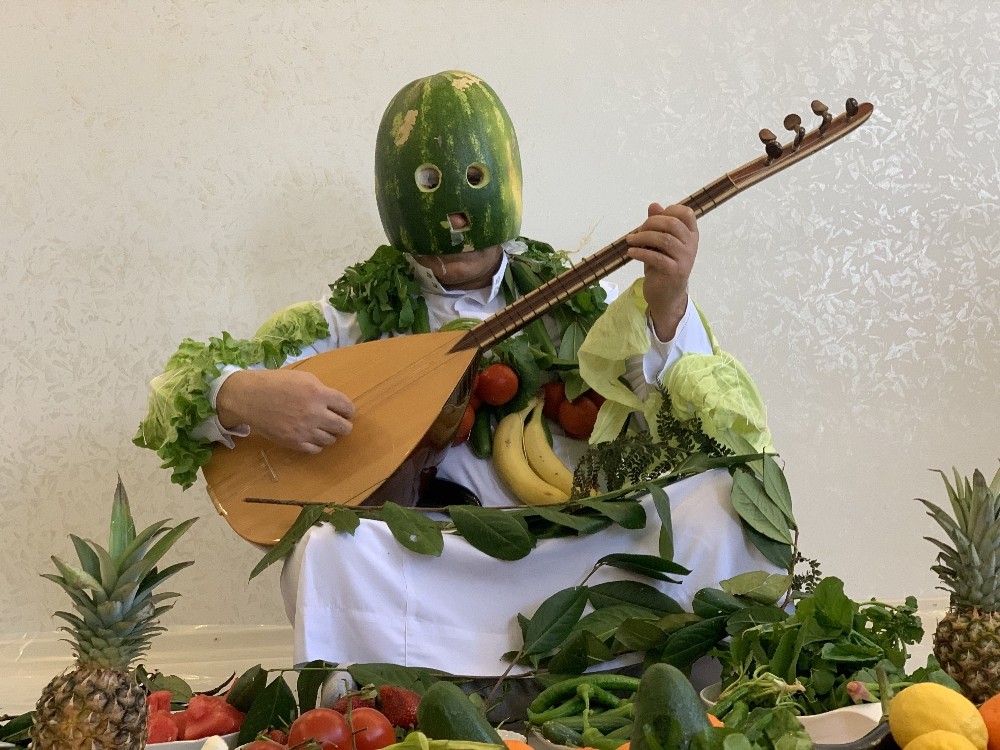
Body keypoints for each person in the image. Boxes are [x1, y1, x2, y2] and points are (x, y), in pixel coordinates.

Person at [136, 69, 778, 677]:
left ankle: (680, 682)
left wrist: (667, 304)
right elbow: (176, 389)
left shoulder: (575, 302)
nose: (456, 222)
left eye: (474, 179)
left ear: (508, 182)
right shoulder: (350, 321)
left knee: (724, 497)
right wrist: (240, 395)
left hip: (575, 553)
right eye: (427, 185)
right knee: (327, 547)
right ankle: (395, 704)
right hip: (436, 560)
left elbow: (675, 408)